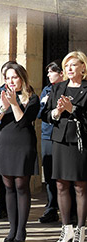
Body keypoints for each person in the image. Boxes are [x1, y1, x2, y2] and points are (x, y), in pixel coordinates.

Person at [0, 62, 39, 242]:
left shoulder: (32, 97)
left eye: (14, 77)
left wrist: (14, 104)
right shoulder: (2, 95)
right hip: (4, 143)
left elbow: (23, 121)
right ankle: (11, 229)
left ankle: (21, 230)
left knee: (21, 186)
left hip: (23, 144)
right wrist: (3, 107)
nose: (11, 81)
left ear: (22, 78)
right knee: (8, 186)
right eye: (7, 78)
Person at [45, 51, 87, 241]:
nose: (69, 69)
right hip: (60, 140)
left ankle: (81, 229)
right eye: (67, 65)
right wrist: (57, 111)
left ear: (83, 67)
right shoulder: (57, 87)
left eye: (74, 65)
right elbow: (45, 114)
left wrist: (73, 110)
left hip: (80, 141)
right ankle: (66, 227)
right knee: (61, 184)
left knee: (80, 187)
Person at [38, 61, 64, 223]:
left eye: (51, 72)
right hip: (48, 136)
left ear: (61, 73)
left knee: (66, 175)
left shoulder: (69, 89)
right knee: (49, 175)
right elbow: (41, 113)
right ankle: (51, 208)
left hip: (65, 136)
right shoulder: (47, 90)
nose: (48, 75)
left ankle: (71, 210)